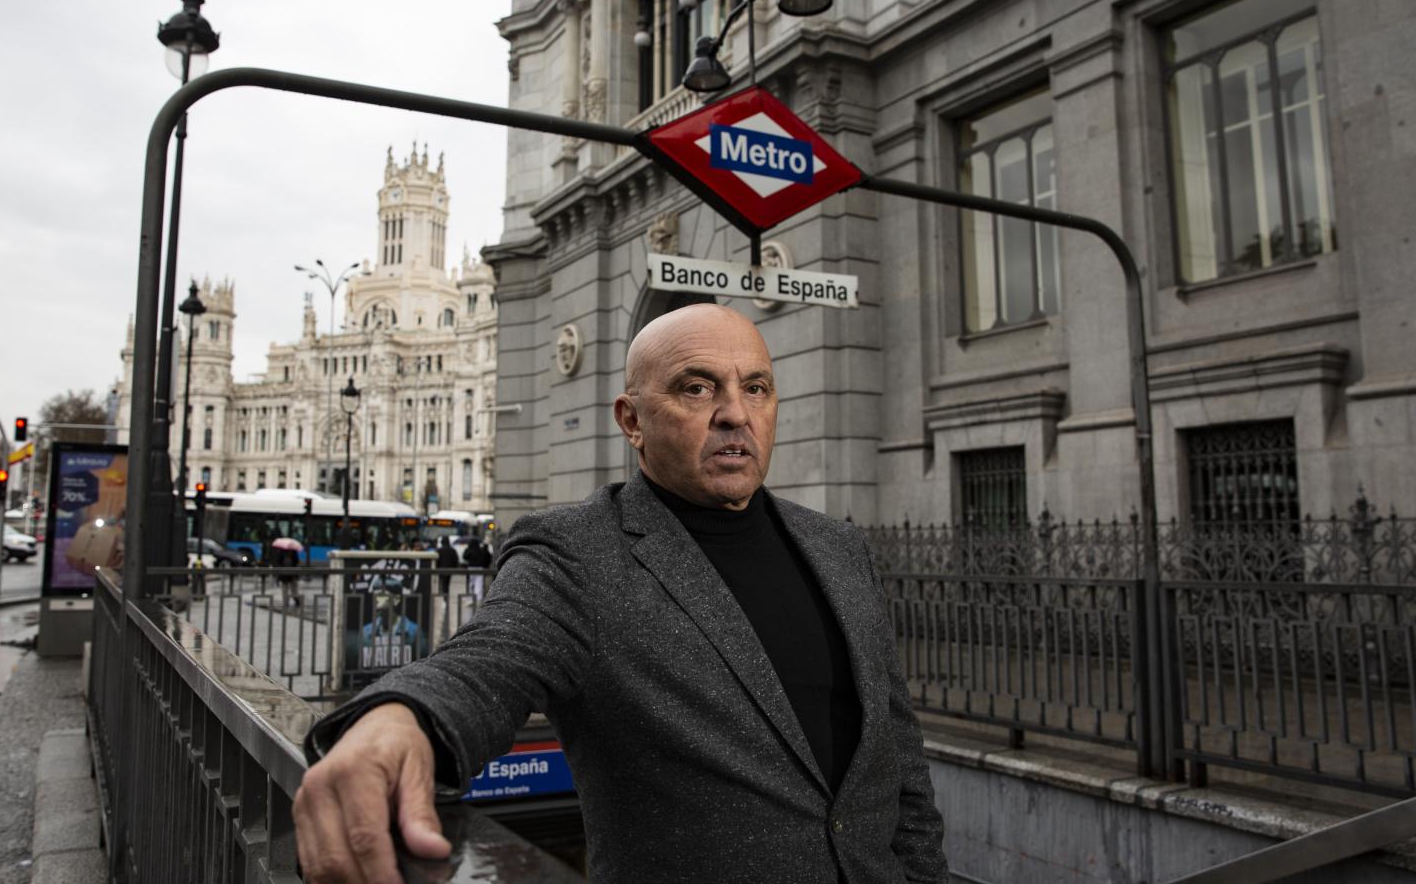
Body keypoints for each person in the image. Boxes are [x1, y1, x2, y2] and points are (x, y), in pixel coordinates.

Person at [294, 305, 947, 884]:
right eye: (697, 388)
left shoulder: (840, 551)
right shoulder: (576, 552)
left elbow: (897, 760)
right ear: (632, 421)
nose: (735, 413)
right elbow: (490, 659)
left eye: (756, 388)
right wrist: (399, 718)